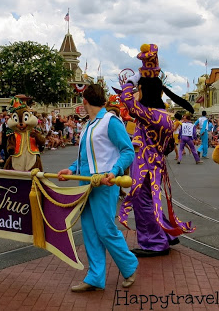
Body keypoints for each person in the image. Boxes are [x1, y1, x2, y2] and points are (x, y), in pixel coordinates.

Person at [57, 84, 138, 292]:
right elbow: (85, 158)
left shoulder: (110, 121)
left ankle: (129, 265)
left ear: (84, 101)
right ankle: (95, 276)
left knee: (105, 229)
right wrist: (71, 169)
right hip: (85, 183)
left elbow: (128, 151)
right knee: (90, 230)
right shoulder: (88, 126)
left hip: (104, 184)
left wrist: (115, 171)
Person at [119, 44, 194, 257]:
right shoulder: (165, 116)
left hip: (144, 166)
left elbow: (126, 101)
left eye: (138, 90)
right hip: (156, 164)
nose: (136, 93)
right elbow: (170, 146)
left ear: (145, 91)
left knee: (142, 202)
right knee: (152, 200)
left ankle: (154, 242)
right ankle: (166, 234)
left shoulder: (148, 114)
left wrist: (131, 82)